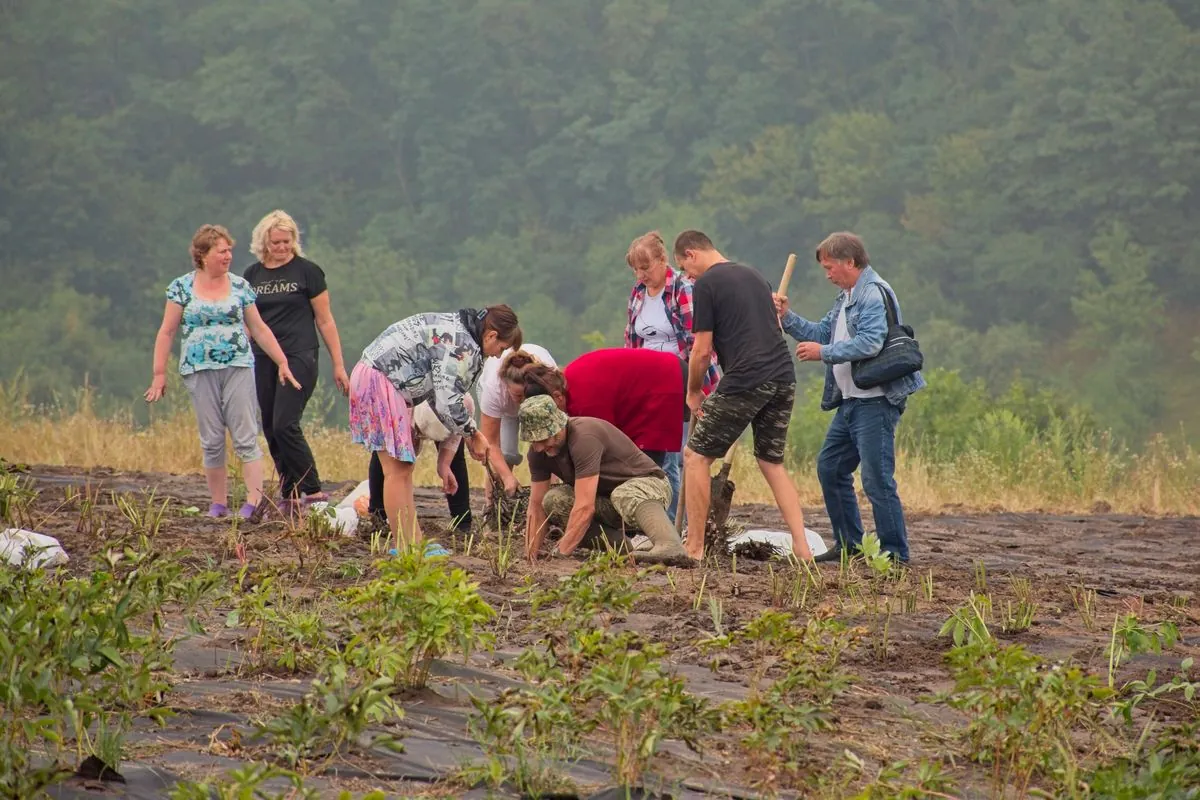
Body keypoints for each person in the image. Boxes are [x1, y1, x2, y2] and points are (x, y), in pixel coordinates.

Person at [776, 232, 925, 564]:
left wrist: (824, 353)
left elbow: (871, 342)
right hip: (850, 401)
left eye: (831, 267)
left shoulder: (872, 293)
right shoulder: (845, 296)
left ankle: (894, 554)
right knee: (831, 468)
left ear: (851, 262)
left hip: (875, 401)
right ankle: (849, 544)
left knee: (876, 479)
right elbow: (820, 333)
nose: (827, 274)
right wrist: (787, 318)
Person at [674, 230, 813, 562]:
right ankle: (802, 548)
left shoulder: (706, 284)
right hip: (783, 376)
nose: (687, 277)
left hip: (749, 377)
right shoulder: (754, 275)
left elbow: (702, 351)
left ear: (692, 254)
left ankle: (693, 548)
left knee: (694, 458)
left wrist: (693, 391)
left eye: (685, 268)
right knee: (771, 463)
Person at [146, 225, 300, 520]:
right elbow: (166, 332)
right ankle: (218, 504)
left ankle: (254, 503)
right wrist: (159, 373)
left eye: (230, 250)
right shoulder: (182, 287)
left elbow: (259, 328)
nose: (229, 256)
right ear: (203, 255)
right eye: (222, 251)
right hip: (198, 369)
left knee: (245, 434)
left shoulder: (240, 287)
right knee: (212, 438)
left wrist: (281, 361)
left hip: (238, 365)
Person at [350, 306, 521, 555]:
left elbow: (437, 392)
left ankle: (414, 542)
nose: (497, 355)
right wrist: (473, 434)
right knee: (396, 471)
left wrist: (467, 435)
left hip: (377, 378)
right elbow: (448, 401)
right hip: (381, 381)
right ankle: (405, 547)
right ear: (491, 336)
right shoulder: (462, 346)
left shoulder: (457, 329)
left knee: (403, 468)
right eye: (502, 348)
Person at [243, 210, 350, 514]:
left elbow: (326, 321)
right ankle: (288, 495)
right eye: (276, 242)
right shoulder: (252, 275)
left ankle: (313, 492)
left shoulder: (307, 272)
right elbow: (248, 321)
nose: (282, 247)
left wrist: (338, 365)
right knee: (270, 426)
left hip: (300, 354)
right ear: (265, 242)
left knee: (285, 423)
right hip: (264, 358)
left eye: (287, 242)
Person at [520, 395, 689, 564]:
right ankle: (625, 548)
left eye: (543, 439)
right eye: (534, 441)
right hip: (608, 501)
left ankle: (669, 544)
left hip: (649, 487)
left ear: (558, 427)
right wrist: (531, 555)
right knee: (553, 500)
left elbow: (584, 507)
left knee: (623, 493)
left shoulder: (583, 436)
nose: (539, 447)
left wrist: (561, 554)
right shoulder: (538, 453)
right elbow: (535, 507)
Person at [624, 231, 720, 520]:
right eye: (636, 270)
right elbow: (631, 340)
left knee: (675, 458)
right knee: (648, 456)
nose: (641, 275)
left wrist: (696, 387)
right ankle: (654, 520)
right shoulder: (638, 294)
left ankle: (676, 523)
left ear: (662, 260)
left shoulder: (682, 288)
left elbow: (697, 342)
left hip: (679, 380)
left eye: (646, 268)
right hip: (647, 383)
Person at [519, 348, 688, 467]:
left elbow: (607, 444)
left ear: (557, 397)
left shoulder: (585, 403)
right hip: (646, 387)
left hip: (664, 382)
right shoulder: (567, 385)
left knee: (649, 467)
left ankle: (665, 516)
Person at [477, 343, 557, 500]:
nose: (523, 401)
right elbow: (490, 443)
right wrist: (508, 478)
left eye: (526, 394)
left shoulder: (548, 378)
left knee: (548, 448)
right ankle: (493, 507)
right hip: (505, 410)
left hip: (539, 402)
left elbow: (555, 433)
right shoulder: (493, 389)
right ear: (506, 385)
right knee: (507, 455)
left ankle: (548, 501)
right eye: (518, 396)